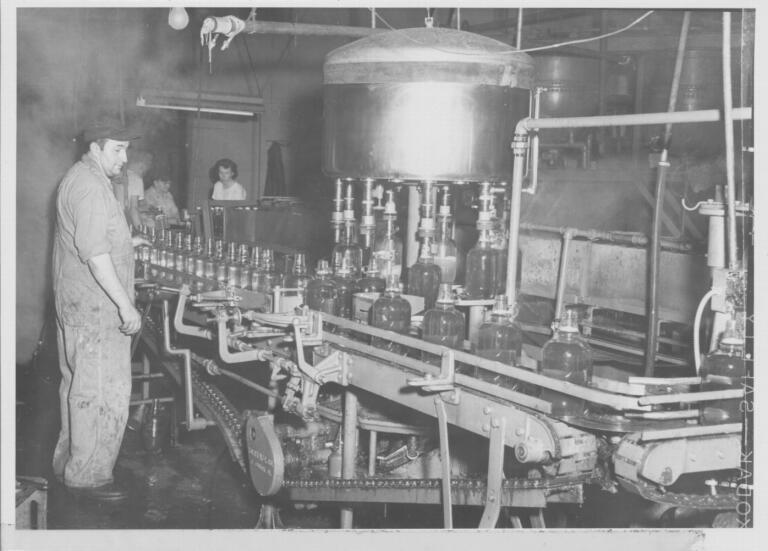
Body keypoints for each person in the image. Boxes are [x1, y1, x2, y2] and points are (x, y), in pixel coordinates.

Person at [52, 117, 148, 502]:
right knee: (103, 390)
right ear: (95, 147)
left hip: (78, 302)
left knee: (77, 385)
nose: (125, 158)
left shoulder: (82, 178)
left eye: (127, 149)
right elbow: (94, 254)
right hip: (97, 308)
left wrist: (127, 244)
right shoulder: (91, 186)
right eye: (118, 149)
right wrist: (127, 307)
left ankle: (69, 462)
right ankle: (89, 477)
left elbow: (93, 238)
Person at [113, 150, 151, 228]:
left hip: (113, 220)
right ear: (141, 166)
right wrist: (141, 230)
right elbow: (133, 209)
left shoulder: (116, 175)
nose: (143, 174)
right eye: (144, 171)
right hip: (125, 222)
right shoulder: (136, 179)